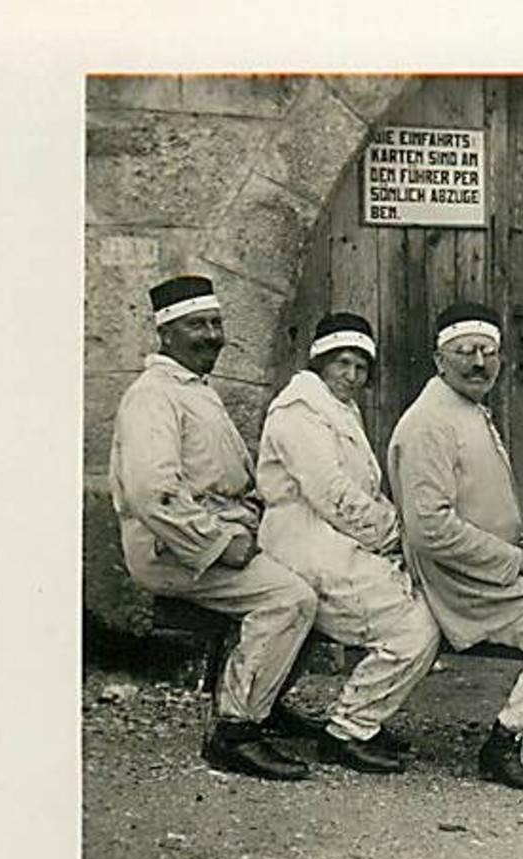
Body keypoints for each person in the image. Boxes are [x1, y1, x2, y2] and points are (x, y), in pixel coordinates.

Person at [109, 275, 318, 781]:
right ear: (166, 334)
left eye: (216, 323)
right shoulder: (153, 396)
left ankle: (263, 701)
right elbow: (152, 495)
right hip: (171, 548)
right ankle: (235, 732)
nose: (212, 335)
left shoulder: (194, 389)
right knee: (290, 599)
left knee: (320, 581)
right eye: (196, 326)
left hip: (214, 532)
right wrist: (220, 544)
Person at [386, 300, 523, 792]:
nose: (478, 363)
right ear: (437, 360)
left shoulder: (465, 410)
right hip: (465, 584)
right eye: (464, 351)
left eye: (489, 352)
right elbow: (431, 530)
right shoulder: (430, 423)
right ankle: (507, 740)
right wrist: (515, 561)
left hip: (489, 576)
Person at [254, 312, 442, 775]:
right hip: (302, 539)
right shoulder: (298, 409)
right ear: (320, 361)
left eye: (361, 367)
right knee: (415, 626)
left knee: (419, 606)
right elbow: (331, 494)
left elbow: (363, 488)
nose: (352, 376)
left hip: (334, 538)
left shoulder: (339, 409)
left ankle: (358, 718)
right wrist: (395, 536)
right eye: (342, 364)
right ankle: (349, 727)